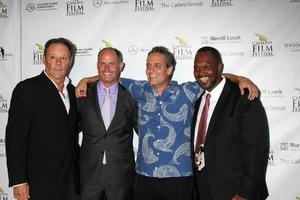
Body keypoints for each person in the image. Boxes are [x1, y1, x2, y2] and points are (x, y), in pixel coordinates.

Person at [76, 46, 258, 200]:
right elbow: (110, 75)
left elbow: (213, 77)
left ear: (169, 69)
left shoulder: (187, 91)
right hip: (144, 177)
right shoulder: (139, 89)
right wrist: (86, 80)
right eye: (148, 66)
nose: (150, 70)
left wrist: (240, 79)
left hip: (179, 178)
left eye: (157, 66)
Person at [5, 38, 80, 200]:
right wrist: (19, 181)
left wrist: (87, 81)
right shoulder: (27, 90)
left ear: (70, 61)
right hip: (39, 183)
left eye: (64, 58)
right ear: (44, 59)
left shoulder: (73, 92)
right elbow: (15, 138)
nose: (59, 63)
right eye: (53, 57)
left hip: (71, 183)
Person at [192, 46, 269, 200]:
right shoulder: (198, 99)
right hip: (203, 189)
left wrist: (245, 193)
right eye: (197, 68)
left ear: (219, 67)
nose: (201, 73)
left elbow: (256, 150)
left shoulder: (244, 98)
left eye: (207, 67)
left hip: (235, 192)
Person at [78, 47, 138, 200]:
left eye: (112, 64)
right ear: (97, 65)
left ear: (121, 66)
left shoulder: (132, 96)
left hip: (121, 175)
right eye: (102, 63)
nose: (106, 68)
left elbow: (143, 132)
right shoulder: (82, 94)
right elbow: (68, 130)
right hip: (88, 174)